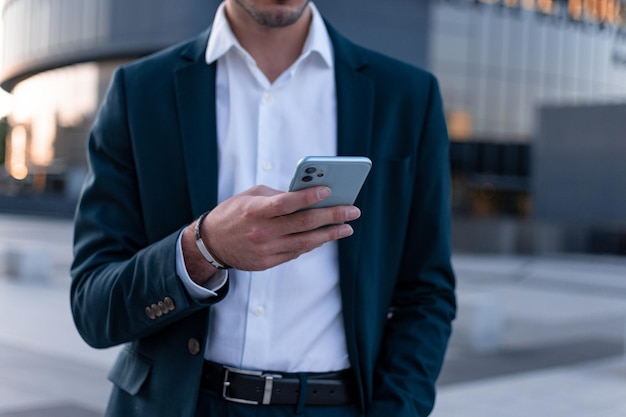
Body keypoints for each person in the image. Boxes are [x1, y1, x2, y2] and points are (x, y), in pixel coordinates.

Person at [70, 1, 456, 416]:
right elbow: (93, 306)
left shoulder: (406, 96)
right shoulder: (141, 91)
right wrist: (204, 249)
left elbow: (427, 294)